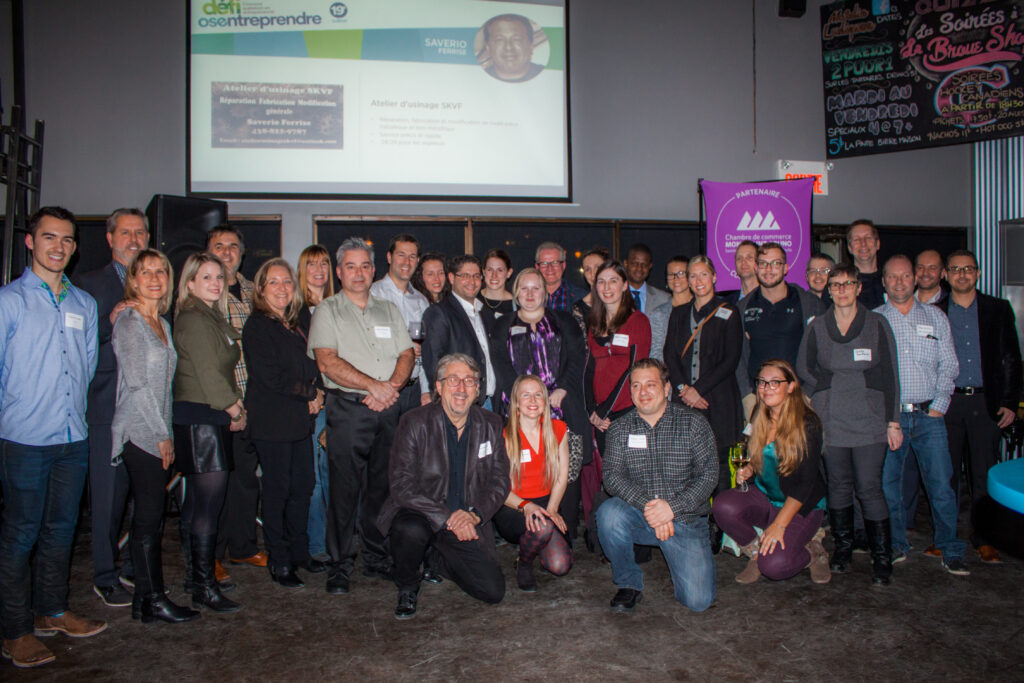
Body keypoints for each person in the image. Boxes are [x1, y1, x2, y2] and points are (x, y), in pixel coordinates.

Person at [0, 207, 105, 669]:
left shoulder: (84, 304)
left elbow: (86, 368)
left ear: (75, 247)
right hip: (24, 438)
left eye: (66, 239)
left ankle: (52, 611)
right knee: (20, 534)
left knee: (62, 530)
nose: (58, 246)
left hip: (72, 436)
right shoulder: (9, 302)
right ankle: (15, 631)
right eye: (49, 237)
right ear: (30, 242)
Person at [309, 237, 415, 595]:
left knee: (381, 489)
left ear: (373, 270)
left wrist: (391, 388)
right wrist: (374, 387)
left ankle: (375, 558)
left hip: (388, 408)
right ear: (339, 272)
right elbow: (327, 361)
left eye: (365, 266)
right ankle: (340, 565)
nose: (359, 273)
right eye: (350, 267)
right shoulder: (327, 310)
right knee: (343, 491)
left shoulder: (389, 309)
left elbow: (406, 354)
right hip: (348, 410)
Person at [378, 353, 510, 619]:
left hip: (465, 519)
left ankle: (437, 559)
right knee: (410, 529)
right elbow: (401, 485)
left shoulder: (491, 424)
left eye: (469, 381)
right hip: (423, 513)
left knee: (492, 591)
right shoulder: (414, 422)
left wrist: (474, 515)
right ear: (438, 387)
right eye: (453, 380)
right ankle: (407, 585)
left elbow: (500, 480)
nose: (461, 388)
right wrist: (447, 517)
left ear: (477, 389)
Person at [796, 263, 900, 585]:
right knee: (839, 485)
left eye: (848, 284)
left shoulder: (877, 323)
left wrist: (893, 422)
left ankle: (882, 557)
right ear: (829, 291)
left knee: (869, 487)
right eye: (836, 285)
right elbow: (803, 367)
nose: (841, 290)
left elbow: (890, 376)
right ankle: (842, 550)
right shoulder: (818, 326)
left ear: (858, 288)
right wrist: (823, 386)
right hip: (831, 419)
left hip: (870, 419)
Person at [110, 248, 199, 623]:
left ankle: (143, 602)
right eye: (145, 272)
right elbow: (137, 385)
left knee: (150, 518)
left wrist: (164, 431)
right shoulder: (130, 322)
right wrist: (162, 435)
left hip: (156, 428)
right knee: (149, 519)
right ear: (133, 279)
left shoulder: (161, 320)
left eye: (160, 271)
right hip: (139, 431)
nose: (154, 278)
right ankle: (155, 599)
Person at [596, 359, 717, 613]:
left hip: (684, 519)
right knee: (608, 514)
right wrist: (652, 508)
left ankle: (695, 543)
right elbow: (612, 476)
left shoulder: (694, 424)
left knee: (698, 602)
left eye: (650, 384)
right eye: (636, 386)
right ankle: (628, 583)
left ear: (666, 388)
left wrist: (671, 509)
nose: (643, 392)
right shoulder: (619, 429)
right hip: (641, 516)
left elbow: (708, 476)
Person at [876, 255, 970, 576]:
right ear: (884, 281)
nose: (899, 282)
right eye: (892, 277)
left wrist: (940, 403)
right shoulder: (874, 319)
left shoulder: (935, 317)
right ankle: (896, 544)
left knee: (941, 485)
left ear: (914, 279)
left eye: (905, 276)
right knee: (889, 486)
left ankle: (950, 548)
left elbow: (950, 364)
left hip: (930, 416)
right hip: (891, 418)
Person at [75, 207, 149, 608]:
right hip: (107, 405)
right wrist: (110, 320)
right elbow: (77, 343)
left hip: (146, 409)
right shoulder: (87, 284)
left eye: (140, 233)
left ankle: (134, 568)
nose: (133, 239)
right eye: (125, 233)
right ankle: (104, 575)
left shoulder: (155, 282)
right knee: (108, 499)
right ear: (109, 238)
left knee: (143, 495)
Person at [489, 267, 590, 542]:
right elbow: (500, 364)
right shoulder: (502, 324)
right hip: (517, 409)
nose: (530, 294)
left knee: (565, 472)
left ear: (545, 293)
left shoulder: (564, 321)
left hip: (561, 407)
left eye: (536, 288)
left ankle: (562, 533)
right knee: (521, 471)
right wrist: (523, 398)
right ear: (516, 293)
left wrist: (562, 389)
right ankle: (524, 532)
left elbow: (577, 357)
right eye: (524, 288)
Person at [243, 258, 327, 589]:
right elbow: (270, 376)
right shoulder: (258, 326)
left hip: (298, 420)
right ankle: (279, 560)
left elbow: (312, 364)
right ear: (261, 289)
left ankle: (299, 553)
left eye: (287, 282)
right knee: (277, 492)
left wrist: (316, 390)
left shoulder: (296, 322)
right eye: (274, 282)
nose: (282, 288)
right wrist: (311, 393)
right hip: (272, 421)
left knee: (303, 487)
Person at [937, 249, 1022, 565]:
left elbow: (1011, 358)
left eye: (968, 269)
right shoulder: (935, 311)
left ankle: (984, 539)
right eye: (955, 269)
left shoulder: (997, 309)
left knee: (983, 474)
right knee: (945, 475)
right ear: (946, 274)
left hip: (986, 403)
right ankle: (945, 537)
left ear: (978, 273)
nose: (962, 274)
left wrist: (1009, 403)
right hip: (947, 402)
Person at [712, 360, 830, 584]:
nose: (766, 388)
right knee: (722, 506)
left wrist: (779, 525)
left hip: (800, 506)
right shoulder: (760, 413)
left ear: (791, 386)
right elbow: (762, 454)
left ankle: (813, 552)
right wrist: (749, 468)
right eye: (762, 382)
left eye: (775, 382)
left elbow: (805, 483)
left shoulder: (807, 422)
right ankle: (757, 553)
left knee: (774, 567)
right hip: (767, 497)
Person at [172, 252, 245, 613]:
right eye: (206, 277)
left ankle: (195, 579)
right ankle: (204, 586)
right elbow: (209, 374)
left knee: (197, 505)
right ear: (189, 283)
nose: (215, 283)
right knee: (207, 507)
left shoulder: (209, 315)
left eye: (219, 277)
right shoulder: (194, 318)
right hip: (202, 415)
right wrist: (235, 409)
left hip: (205, 415)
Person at [207, 226, 265, 573]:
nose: (227, 252)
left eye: (233, 246)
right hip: (219, 403)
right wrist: (230, 404)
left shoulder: (253, 290)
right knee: (215, 484)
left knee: (245, 480)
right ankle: (210, 556)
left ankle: (243, 547)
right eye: (219, 246)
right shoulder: (203, 292)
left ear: (242, 253)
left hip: (252, 400)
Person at [663, 255, 743, 502]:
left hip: (717, 401)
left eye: (704, 275)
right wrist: (683, 388)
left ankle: (721, 520)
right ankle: (691, 518)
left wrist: (698, 390)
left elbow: (730, 359)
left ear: (714, 277)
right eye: (693, 276)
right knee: (686, 464)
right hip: (684, 401)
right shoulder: (679, 313)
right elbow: (669, 354)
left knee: (718, 465)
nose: (698, 281)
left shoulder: (729, 312)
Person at [494, 375, 573, 591]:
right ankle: (524, 563)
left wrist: (552, 508)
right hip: (513, 506)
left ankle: (537, 540)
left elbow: (562, 475)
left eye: (538, 395)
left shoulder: (558, 429)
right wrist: (526, 506)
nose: (532, 400)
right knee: (543, 525)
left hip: (547, 503)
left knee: (560, 565)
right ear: (516, 402)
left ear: (545, 401)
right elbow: (498, 487)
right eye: (526, 395)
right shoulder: (503, 435)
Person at [737, 242, 825, 404]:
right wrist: (748, 397)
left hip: (800, 398)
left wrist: (808, 393)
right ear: (756, 268)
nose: (768, 269)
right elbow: (739, 358)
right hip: (760, 399)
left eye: (775, 263)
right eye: (763, 264)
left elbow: (823, 351)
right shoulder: (743, 307)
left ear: (785, 268)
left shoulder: (809, 304)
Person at [585, 260, 652, 455]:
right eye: (601, 281)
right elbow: (588, 369)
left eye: (613, 281)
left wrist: (604, 410)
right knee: (608, 472)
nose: (606, 287)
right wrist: (592, 410)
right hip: (601, 417)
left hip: (628, 412)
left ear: (624, 286)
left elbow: (634, 370)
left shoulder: (638, 321)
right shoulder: (594, 324)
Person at [422, 255, 497, 408]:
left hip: (490, 402)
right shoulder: (438, 313)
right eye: (465, 276)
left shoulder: (486, 314)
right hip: (458, 403)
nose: (472, 281)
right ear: (451, 278)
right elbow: (433, 364)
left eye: (476, 276)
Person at [297, 245, 334, 562]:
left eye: (324, 263)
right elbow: (299, 360)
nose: (319, 269)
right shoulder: (294, 310)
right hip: (312, 403)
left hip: (340, 402)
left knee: (336, 476)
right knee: (314, 479)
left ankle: (336, 541)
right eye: (312, 264)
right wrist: (313, 392)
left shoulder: (339, 306)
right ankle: (316, 544)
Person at [370, 234, 430, 415]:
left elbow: (426, 349)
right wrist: (404, 347)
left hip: (414, 391)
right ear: (389, 257)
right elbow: (367, 342)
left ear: (417, 261)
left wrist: (425, 390)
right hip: (383, 389)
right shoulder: (373, 294)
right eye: (401, 255)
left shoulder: (421, 300)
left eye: (412, 257)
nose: (406, 262)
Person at [649, 255, 691, 361]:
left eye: (681, 273)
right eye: (671, 274)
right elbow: (656, 352)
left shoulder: (701, 308)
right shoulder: (659, 313)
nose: (676, 278)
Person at [480, 13, 544, 83]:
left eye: (517, 39)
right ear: (488, 48)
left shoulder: (548, 74)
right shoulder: (478, 78)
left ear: (530, 46)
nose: (508, 47)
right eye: (499, 40)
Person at [536, 241, 586, 312]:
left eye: (555, 262)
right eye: (544, 263)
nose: (550, 268)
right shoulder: (526, 297)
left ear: (563, 266)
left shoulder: (582, 297)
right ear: (537, 267)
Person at [571, 246, 610, 332]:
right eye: (588, 269)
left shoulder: (620, 301)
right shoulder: (579, 308)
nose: (593, 273)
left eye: (598, 267)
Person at [847, 219, 885, 309]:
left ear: (877, 244)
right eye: (857, 239)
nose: (863, 243)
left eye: (868, 238)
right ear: (850, 248)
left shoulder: (890, 280)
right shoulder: (840, 284)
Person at [624, 243, 670, 314]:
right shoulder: (614, 296)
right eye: (635, 264)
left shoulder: (664, 299)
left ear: (650, 266)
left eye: (644, 265)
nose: (639, 268)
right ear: (626, 264)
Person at [478, 248, 515, 322]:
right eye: (490, 269)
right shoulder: (473, 300)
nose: (494, 275)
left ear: (509, 273)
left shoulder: (516, 306)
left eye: (500, 270)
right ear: (484, 272)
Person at [722, 239, 759, 305]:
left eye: (749, 257)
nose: (743, 262)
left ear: (759, 263)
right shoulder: (726, 304)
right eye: (739, 258)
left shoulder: (770, 299)